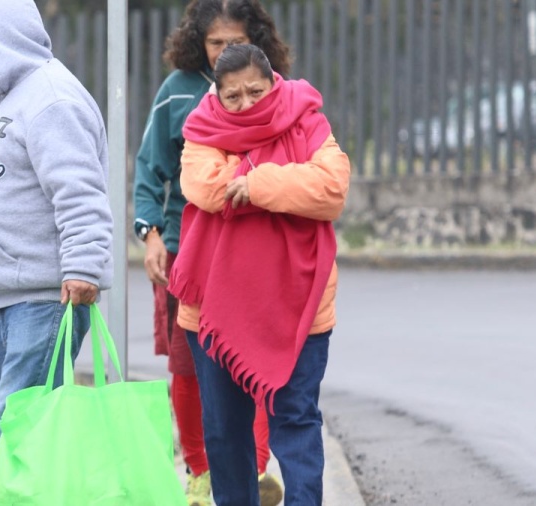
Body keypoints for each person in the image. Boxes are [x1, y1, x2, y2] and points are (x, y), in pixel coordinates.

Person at [169, 43, 351, 506]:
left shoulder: (306, 118)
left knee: (297, 419)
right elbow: (207, 187)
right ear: (217, 95)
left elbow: (331, 187)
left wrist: (256, 184)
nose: (246, 104)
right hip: (215, 311)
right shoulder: (202, 127)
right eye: (233, 96)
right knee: (225, 430)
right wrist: (289, 177)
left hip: (299, 307)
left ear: (274, 83)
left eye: (256, 91)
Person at [133, 1, 289, 504]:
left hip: (258, 254)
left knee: (254, 363)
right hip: (188, 254)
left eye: (236, 42)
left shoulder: (273, 89)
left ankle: (255, 469)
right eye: (215, 42)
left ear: (256, 40)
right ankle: (199, 472)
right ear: (198, 42)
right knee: (188, 367)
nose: (224, 52)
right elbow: (149, 168)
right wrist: (150, 236)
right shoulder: (177, 90)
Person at [0, 0, 113, 471]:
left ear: (1, 43)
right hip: (14, 295)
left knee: (20, 431)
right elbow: (7, 191)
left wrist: (83, 265)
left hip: (45, 300)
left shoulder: (52, 100)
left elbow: (79, 190)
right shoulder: (16, 99)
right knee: (20, 428)